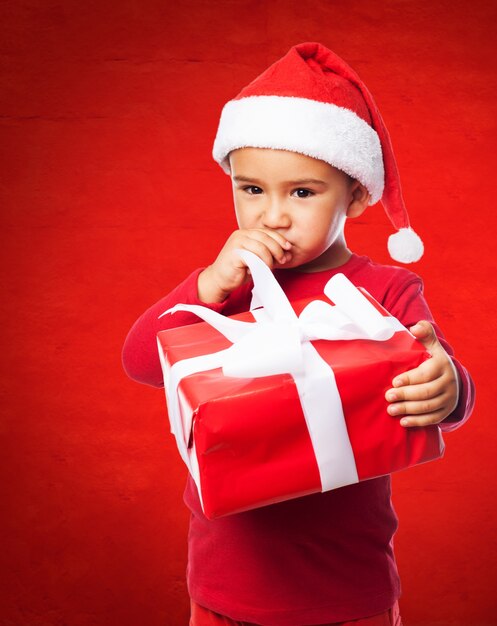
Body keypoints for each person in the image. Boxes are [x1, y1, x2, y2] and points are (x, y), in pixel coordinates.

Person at [122, 42, 475, 626]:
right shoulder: (230, 285)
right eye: (251, 189)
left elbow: (441, 387)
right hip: (225, 581)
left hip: (347, 585)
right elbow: (141, 361)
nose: (272, 216)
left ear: (357, 194)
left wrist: (448, 387)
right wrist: (208, 284)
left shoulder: (385, 290)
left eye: (302, 192)